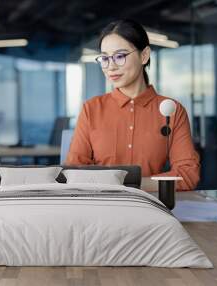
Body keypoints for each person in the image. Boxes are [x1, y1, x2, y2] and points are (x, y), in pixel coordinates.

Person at [65, 19, 200, 191]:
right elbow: (74, 173)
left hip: (151, 207)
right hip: (102, 208)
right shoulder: (91, 109)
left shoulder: (172, 110)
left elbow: (187, 175)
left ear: (144, 56)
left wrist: (129, 184)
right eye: (105, 58)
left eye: (120, 56)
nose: (111, 66)